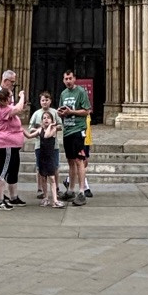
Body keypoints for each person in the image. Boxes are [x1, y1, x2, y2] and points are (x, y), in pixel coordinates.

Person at [0, 75, 26, 210]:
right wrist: (22, 96)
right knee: (2, 172)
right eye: (10, 97)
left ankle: (13, 197)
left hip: (12, 143)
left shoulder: (6, 107)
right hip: (5, 144)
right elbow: (19, 108)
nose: (12, 99)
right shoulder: (2, 109)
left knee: (13, 170)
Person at [58, 69, 91, 206]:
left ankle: (82, 191)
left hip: (78, 130)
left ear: (74, 78)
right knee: (70, 161)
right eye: (66, 79)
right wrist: (61, 113)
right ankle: (71, 190)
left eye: (70, 78)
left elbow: (87, 110)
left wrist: (71, 112)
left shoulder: (81, 92)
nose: (68, 81)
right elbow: (61, 109)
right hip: (67, 131)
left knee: (79, 160)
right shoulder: (63, 93)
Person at [30, 93, 62, 208]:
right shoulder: (36, 114)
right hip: (40, 146)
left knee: (55, 168)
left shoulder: (54, 112)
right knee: (40, 169)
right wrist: (38, 129)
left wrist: (53, 127)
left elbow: (60, 125)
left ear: (50, 101)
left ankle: (56, 189)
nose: (44, 102)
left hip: (53, 147)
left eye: (46, 100)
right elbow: (30, 128)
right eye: (42, 100)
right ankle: (42, 192)